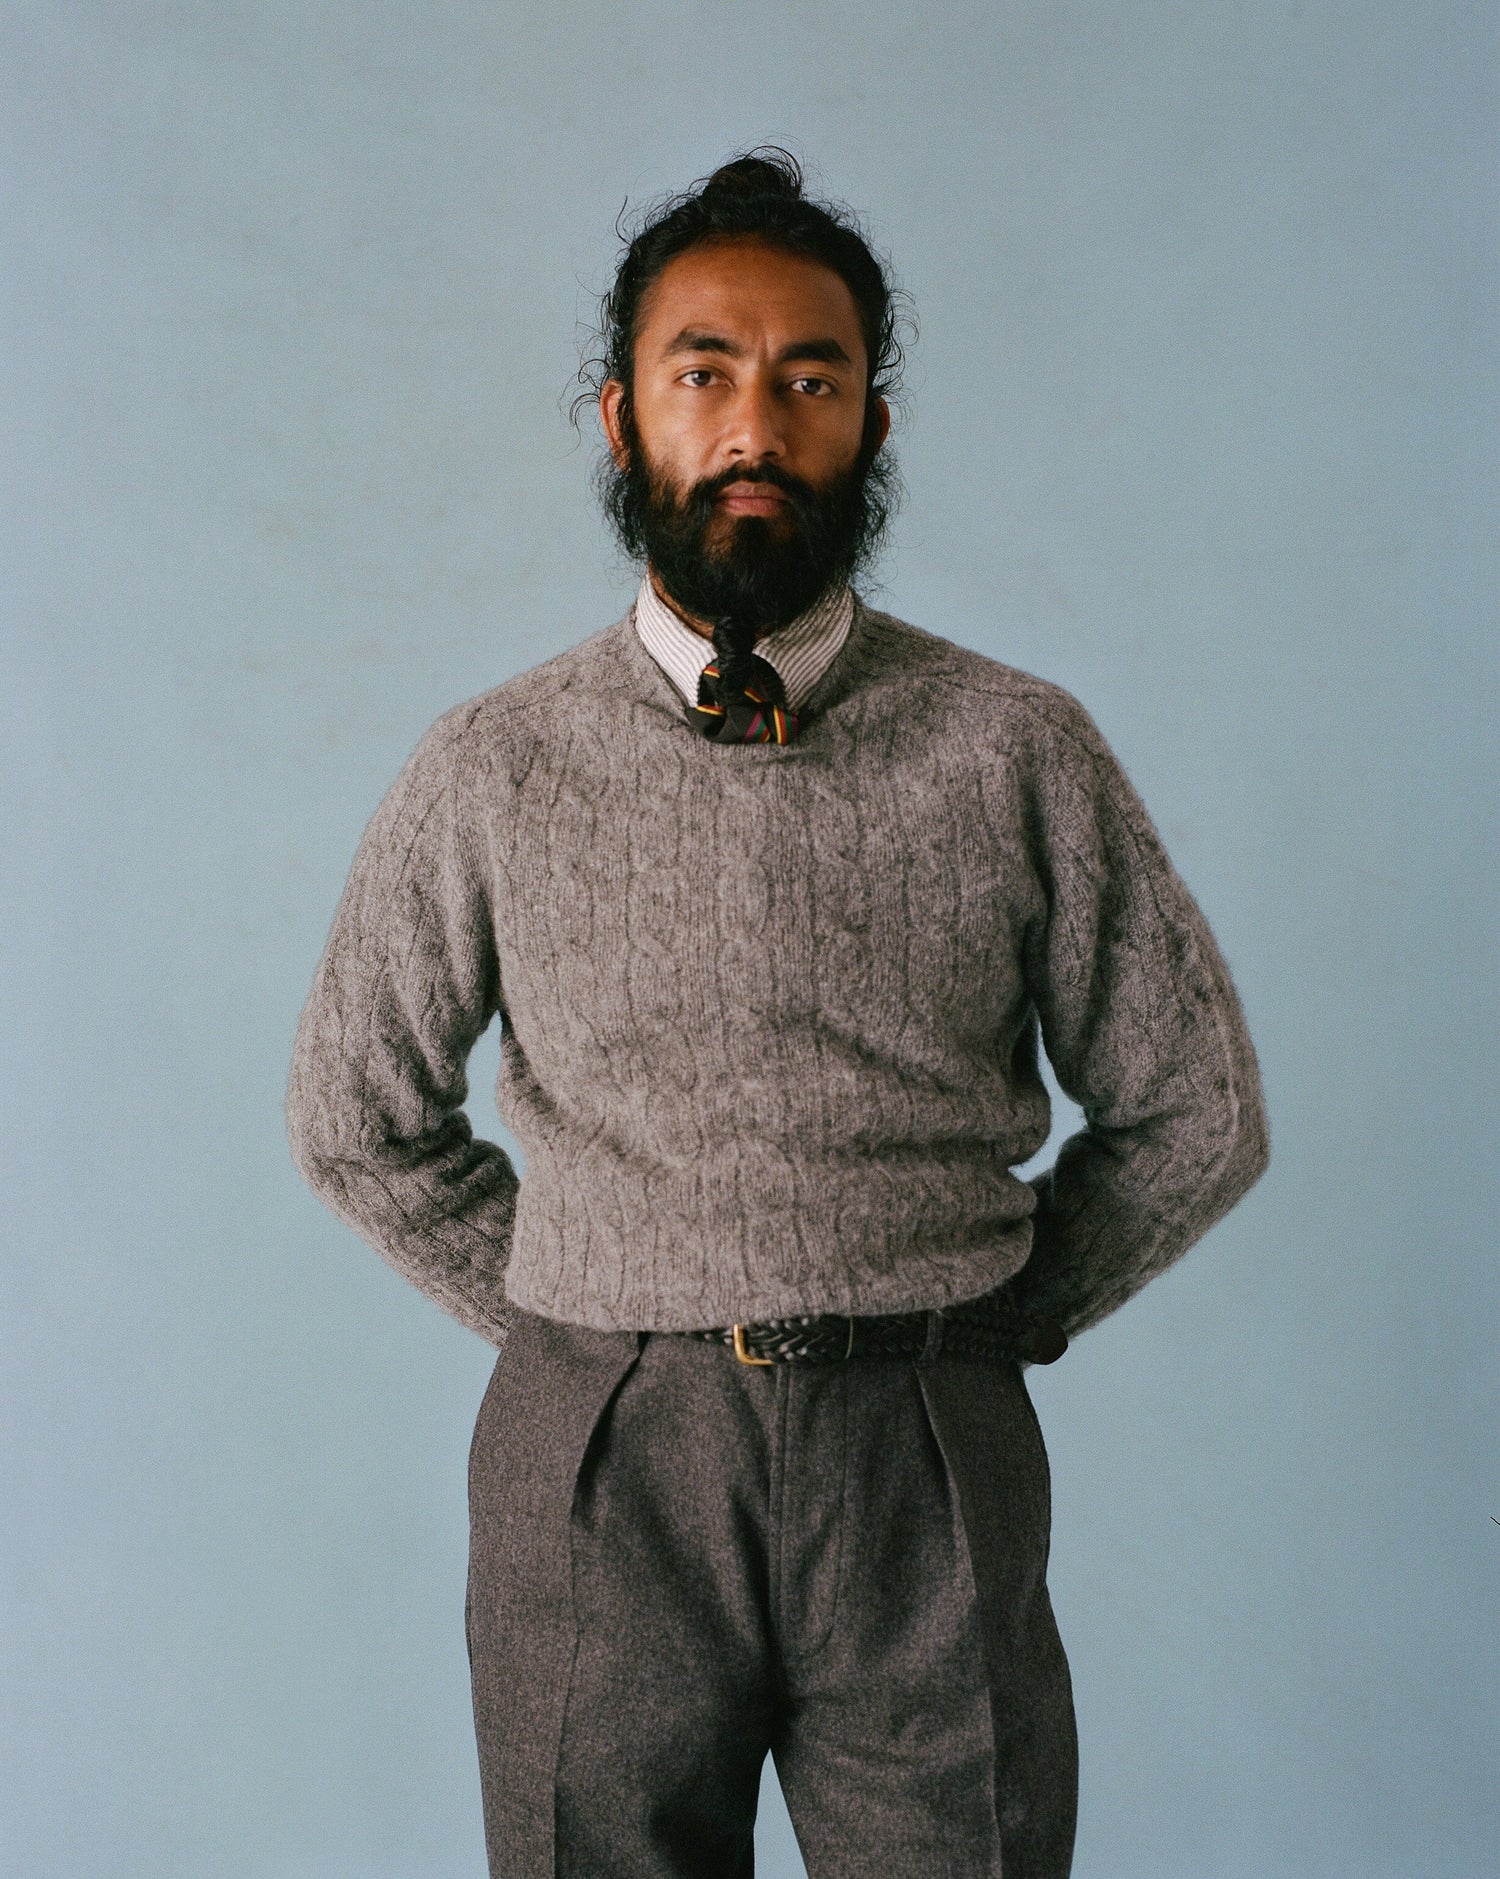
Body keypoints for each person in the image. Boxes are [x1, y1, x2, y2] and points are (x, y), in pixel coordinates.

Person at [286, 147, 1270, 1879]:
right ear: (621, 419)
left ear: (871, 425)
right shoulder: (493, 766)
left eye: (810, 380)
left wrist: (988, 1311)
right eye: (704, 375)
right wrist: (586, 1314)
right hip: (606, 1465)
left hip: (928, 1447)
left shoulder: (1015, 749)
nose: (756, 425)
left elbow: (1197, 1108)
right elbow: (353, 1118)